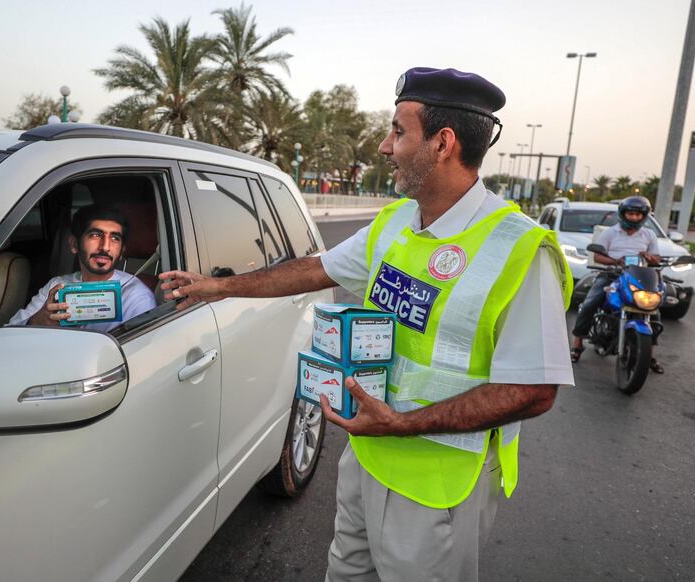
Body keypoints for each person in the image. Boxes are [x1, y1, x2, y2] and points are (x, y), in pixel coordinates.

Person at [158, 67, 574, 582]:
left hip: (438, 487)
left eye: (399, 131)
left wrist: (403, 424)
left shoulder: (518, 251)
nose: (384, 146)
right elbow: (315, 268)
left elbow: (534, 390)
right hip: (366, 456)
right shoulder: (396, 221)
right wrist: (220, 287)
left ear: (443, 144)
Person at [9, 204, 157, 332]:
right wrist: (36, 321)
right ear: (74, 245)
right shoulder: (56, 286)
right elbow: (8, 334)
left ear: (122, 251)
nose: (105, 247)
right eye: (95, 235)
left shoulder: (135, 295)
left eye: (114, 238)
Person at [570, 196, 663, 373]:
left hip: (637, 276)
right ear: (623, 214)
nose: (634, 218)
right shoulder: (610, 233)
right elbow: (597, 256)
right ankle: (577, 344)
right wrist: (615, 261)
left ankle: (649, 354)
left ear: (644, 216)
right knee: (590, 303)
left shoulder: (649, 235)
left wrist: (649, 258)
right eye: (631, 214)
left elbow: (656, 258)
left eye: (638, 214)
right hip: (612, 274)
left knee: (653, 311)